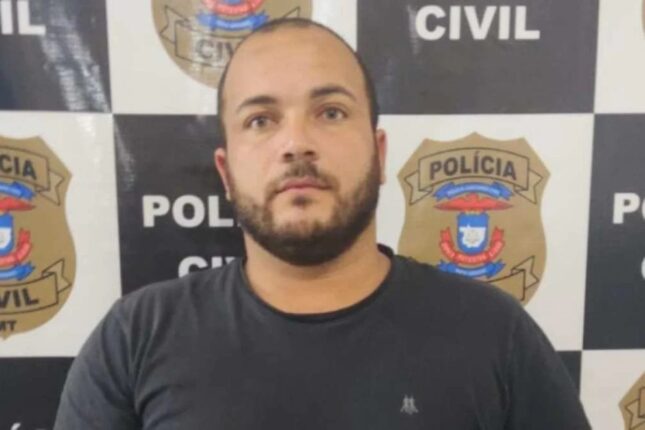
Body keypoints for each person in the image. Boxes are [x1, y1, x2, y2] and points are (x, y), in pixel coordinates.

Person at [54, 18, 591, 429]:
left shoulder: (492, 335)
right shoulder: (135, 339)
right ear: (226, 171)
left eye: (330, 112)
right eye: (260, 120)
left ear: (380, 153)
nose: (296, 143)